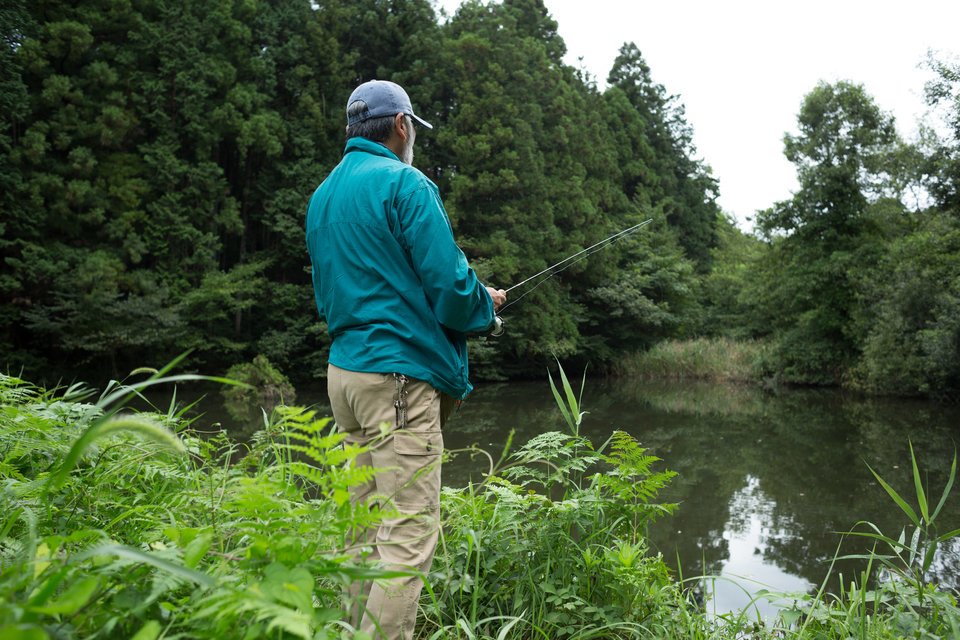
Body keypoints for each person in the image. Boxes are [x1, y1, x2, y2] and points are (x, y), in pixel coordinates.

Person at [305, 79, 506, 640]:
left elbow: (336, 293)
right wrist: (484, 311)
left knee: (363, 529)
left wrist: (472, 297)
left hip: (344, 377)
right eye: (413, 127)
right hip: (397, 381)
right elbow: (448, 285)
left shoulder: (323, 196)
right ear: (401, 126)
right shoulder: (405, 183)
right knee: (407, 532)